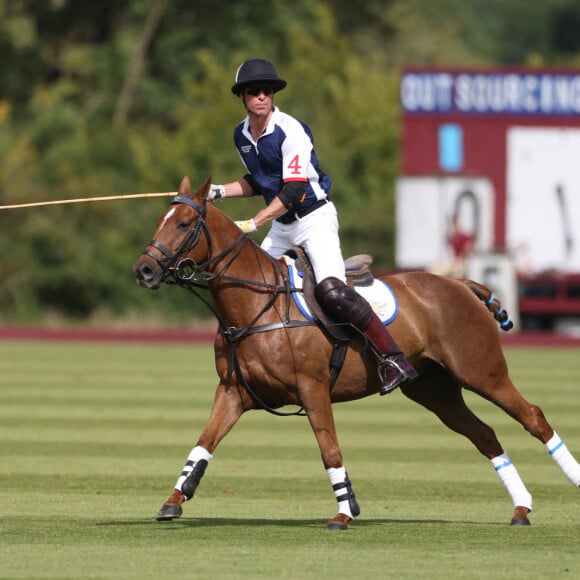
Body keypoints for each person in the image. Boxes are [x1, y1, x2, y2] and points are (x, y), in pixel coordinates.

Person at [208, 58, 417, 395]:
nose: (262, 96)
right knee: (247, 282)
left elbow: (293, 189)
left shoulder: (292, 130)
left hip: (313, 219)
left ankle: (394, 359)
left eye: (267, 90)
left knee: (332, 290)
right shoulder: (242, 134)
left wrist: (253, 222)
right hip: (282, 225)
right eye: (253, 91)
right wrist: (219, 191)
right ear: (242, 97)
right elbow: (260, 181)